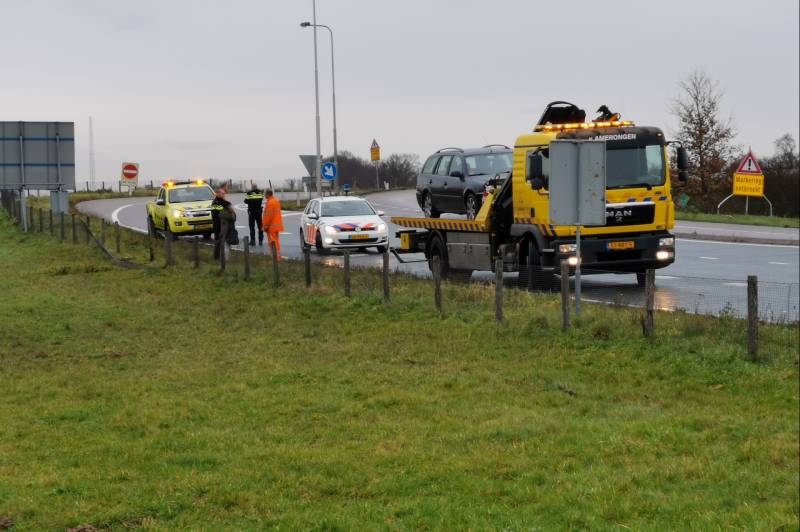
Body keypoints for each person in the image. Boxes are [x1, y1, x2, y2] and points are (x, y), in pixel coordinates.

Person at [261, 189, 284, 259]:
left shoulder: (270, 203)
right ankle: (278, 255)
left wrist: (265, 226)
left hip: (271, 227)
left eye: (265, 194)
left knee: (272, 242)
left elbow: (268, 216)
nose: (264, 195)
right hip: (276, 225)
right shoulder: (276, 201)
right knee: (276, 241)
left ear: (268, 194)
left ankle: (275, 257)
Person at [211, 185, 230, 260]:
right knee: (218, 241)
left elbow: (228, 205)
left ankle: (218, 256)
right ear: (218, 194)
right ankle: (217, 257)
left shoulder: (218, 201)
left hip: (219, 224)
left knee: (220, 241)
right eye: (222, 194)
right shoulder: (217, 202)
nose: (224, 195)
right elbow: (228, 207)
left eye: (224, 194)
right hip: (218, 224)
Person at [244, 182, 264, 246]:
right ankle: (260, 240)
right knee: (260, 226)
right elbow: (262, 198)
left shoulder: (249, 193)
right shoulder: (261, 192)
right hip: (259, 212)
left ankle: (253, 241)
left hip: (251, 212)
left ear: (252, 187)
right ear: (257, 186)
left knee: (252, 227)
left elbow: (245, 201)